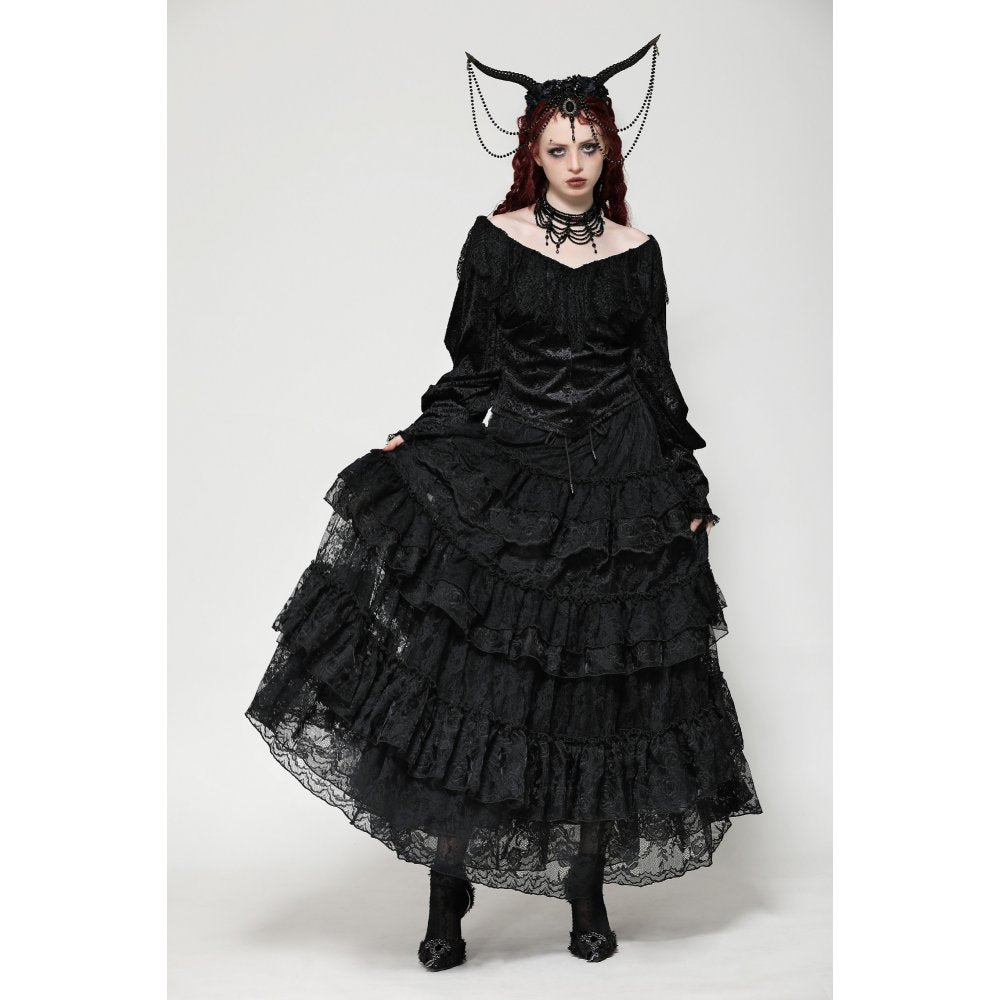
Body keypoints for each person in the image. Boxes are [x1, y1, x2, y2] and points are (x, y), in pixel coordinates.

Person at [245, 35, 762, 970]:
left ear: (609, 150)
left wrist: (685, 485)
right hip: (514, 472)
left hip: (617, 484)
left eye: (589, 146)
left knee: (598, 698)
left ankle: (585, 888)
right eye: (558, 149)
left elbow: (655, 380)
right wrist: (422, 436)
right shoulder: (495, 242)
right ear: (533, 154)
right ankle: (448, 890)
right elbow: (472, 367)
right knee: (479, 685)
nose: (575, 163)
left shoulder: (639, 254)